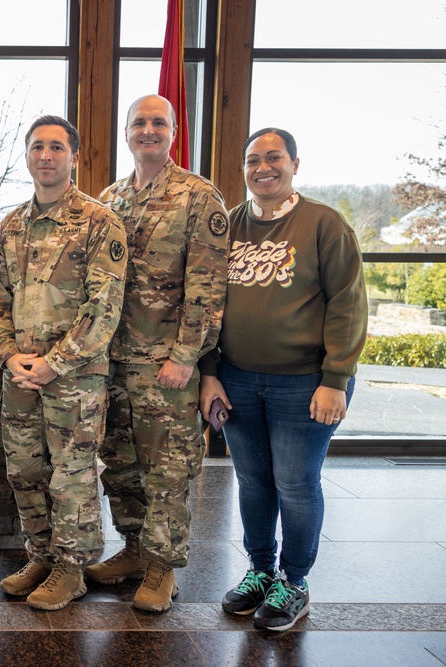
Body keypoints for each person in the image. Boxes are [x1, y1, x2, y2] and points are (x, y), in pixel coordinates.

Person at [198, 127, 367, 632]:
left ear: (295, 164)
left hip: (306, 383)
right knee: (252, 482)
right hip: (238, 379)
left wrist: (335, 378)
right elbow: (206, 305)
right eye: (253, 159)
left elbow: (349, 306)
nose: (263, 167)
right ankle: (259, 570)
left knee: (295, 484)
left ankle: (294, 580)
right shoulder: (227, 225)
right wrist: (209, 374)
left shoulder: (323, 223)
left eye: (274, 158)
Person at [85, 94, 229, 612]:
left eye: (158, 123)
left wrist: (187, 357)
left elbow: (208, 287)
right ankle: (134, 549)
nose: (148, 130)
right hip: (111, 360)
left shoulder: (198, 197)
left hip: (165, 364)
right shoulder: (110, 198)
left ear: (173, 132)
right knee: (119, 462)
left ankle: (163, 567)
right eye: (139, 123)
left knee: (167, 469)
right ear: (127, 133)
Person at [0, 115, 127, 611]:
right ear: (27, 156)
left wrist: (55, 363)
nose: (45, 156)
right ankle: (41, 555)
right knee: (25, 470)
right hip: (21, 374)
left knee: (71, 473)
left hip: (75, 379)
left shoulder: (98, 221)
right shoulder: (11, 225)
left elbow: (104, 307)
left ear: (74, 156)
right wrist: (8, 355)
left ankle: (72, 568)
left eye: (56, 148)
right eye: (37, 147)